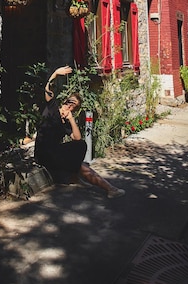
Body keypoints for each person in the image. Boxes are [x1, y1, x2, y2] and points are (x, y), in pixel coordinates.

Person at [34, 66, 125, 199]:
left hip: (54, 151)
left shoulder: (66, 123)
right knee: (81, 164)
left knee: (81, 145)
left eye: (73, 107)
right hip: (44, 153)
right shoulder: (52, 108)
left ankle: (76, 177)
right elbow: (47, 90)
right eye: (69, 103)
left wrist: (70, 118)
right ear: (65, 101)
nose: (69, 107)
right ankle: (109, 188)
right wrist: (55, 73)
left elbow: (77, 138)